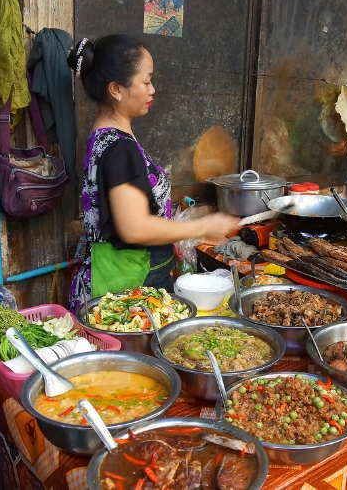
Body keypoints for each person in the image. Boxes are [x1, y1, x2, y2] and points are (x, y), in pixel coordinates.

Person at [67, 34, 238, 309]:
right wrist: (204, 226)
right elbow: (133, 227)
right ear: (116, 89)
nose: (153, 90)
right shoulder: (119, 147)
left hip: (116, 277)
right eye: (146, 81)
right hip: (124, 289)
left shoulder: (102, 137)